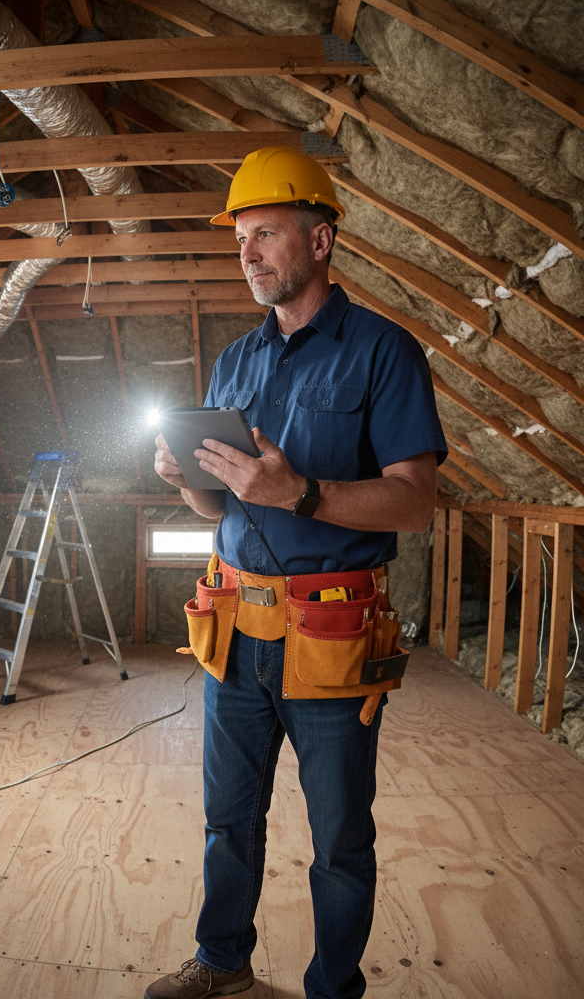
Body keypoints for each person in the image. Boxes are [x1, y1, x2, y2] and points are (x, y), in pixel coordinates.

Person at [149, 147, 446, 999]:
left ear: (320, 240)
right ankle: (222, 964)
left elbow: (415, 502)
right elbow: (222, 514)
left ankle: (332, 991)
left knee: (341, 838)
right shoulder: (236, 362)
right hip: (236, 631)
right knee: (228, 821)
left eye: (266, 234)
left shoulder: (384, 352)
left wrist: (303, 494)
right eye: (241, 238)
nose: (248, 254)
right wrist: (187, 485)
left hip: (330, 637)